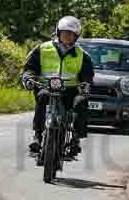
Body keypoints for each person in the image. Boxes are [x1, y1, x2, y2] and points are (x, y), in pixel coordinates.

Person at [21, 16, 94, 157]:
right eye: (65, 32)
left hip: (70, 91)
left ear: (76, 37)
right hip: (47, 87)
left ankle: (76, 139)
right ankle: (37, 136)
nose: (68, 36)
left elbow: (88, 76)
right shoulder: (42, 49)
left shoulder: (82, 55)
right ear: (58, 32)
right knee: (42, 97)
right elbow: (29, 68)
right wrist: (28, 78)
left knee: (81, 102)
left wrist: (86, 86)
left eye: (71, 34)